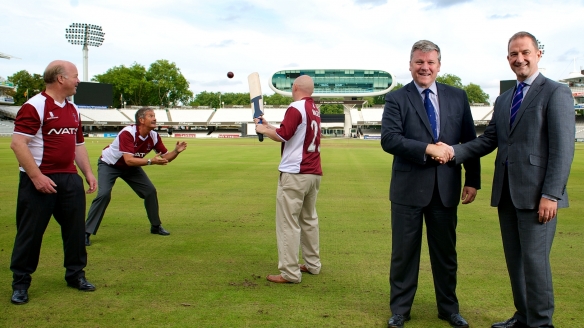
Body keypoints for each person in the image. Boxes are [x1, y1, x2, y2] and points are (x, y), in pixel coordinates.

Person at [431, 31, 575, 328]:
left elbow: (563, 148)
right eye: (513, 54)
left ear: (538, 54)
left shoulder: (556, 92)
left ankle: (541, 323)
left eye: (524, 52)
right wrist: (453, 151)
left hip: (539, 197)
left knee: (535, 264)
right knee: (516, 263)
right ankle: (523, 316)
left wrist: (552, 194)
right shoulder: (506, 97)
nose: (519, 59)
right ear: (508, 58)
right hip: (507, 193)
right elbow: (490, 140)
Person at [380, 40, 480, 328]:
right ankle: (400, 309)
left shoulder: (458, 96)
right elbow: (389, 139)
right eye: (419, 62)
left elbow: (470, 142)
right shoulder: (397, 98)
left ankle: (448, 309)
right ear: (410, 64)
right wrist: (428, 148)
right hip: (407, 190)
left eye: (430, 62)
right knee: (404, 254)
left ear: (439, 65)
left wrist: (472, 180)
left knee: (446, 254)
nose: (425, 67)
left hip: (446, 188)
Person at [9, 60, 98, 305]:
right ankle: (20, 282)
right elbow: (18, 144)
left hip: (69, 179)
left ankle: (75, 275)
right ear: (60, 78)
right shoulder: (34, 106)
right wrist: (36, 177)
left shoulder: (73, 108)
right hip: (39, 179)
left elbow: (78, 144)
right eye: (75, 76)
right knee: (30, 233)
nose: (78, 80)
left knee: (75, 232)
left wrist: (88, 173)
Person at [84, 108, 187, 245]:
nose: (155, 118)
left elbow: (165, 157)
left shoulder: (154, 136)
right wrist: (150, 161)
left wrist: (176, 151)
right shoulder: (128, 133)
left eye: (154, 115)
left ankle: (156, 226)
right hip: (110, 165)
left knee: (150, 191)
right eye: (151, 116)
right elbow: (128, 160)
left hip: (131, 167)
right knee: (104, 194)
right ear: (141, 120)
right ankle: (86, 232)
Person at [255, 75, 322, 284]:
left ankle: (290, 272)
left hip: (295, 173)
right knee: (309, 220)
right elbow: (291, 132)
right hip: (313, 173)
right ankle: (312, 264)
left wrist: (263, 130)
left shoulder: (296, 107)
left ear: (295, 87)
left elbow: (283, 136)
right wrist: (269, 126)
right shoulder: (313, 108)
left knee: (287, 223)